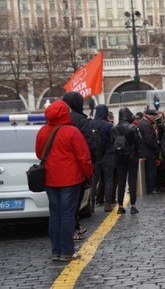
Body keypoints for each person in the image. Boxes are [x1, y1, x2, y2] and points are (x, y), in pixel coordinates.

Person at [36, 100, 93, 261]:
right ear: (65, 114)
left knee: (55, 214)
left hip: (50, 179)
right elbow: (84, 158)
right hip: (70, 179)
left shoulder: (42, 131)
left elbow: (40, 154)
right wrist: (88, 174)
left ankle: (56, 251)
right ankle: (67, 251)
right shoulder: (72, 132)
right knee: (68, 214)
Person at [62, 91, 99, 241]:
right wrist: (91, 164)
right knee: (75, 200)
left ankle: (72, 227)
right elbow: (90, 145)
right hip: (76, 167)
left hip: (58, 168)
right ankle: (73, 228)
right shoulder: (81, 121)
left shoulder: (58, 120)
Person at [112, 107, 142, 214]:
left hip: (119, 157)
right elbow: (138, 141)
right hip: (132, 157)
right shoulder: (132, 127)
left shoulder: (114, 128)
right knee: (132, 181)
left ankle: (120, 206)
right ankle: (133, 206)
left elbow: (112, 143)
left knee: (121, 181)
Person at [90, 104, 115, 212]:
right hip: (107, 155)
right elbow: (113, 140)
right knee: (108, 180)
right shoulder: (108, 126)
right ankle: (107, 204)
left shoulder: (90, 124)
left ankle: (91, 204)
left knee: (94, 181)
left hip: (95, 156)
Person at [138, 109, 160, 194]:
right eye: (154, 116)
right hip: (149, 152)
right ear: (150, 116)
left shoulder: (141, 123)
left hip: (143, 151)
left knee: (146, 171)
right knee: (151, 170)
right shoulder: (146, 124)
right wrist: (156, 147)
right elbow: (149, 139)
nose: (155, 118)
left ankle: (146, 187)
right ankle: (150, 188)